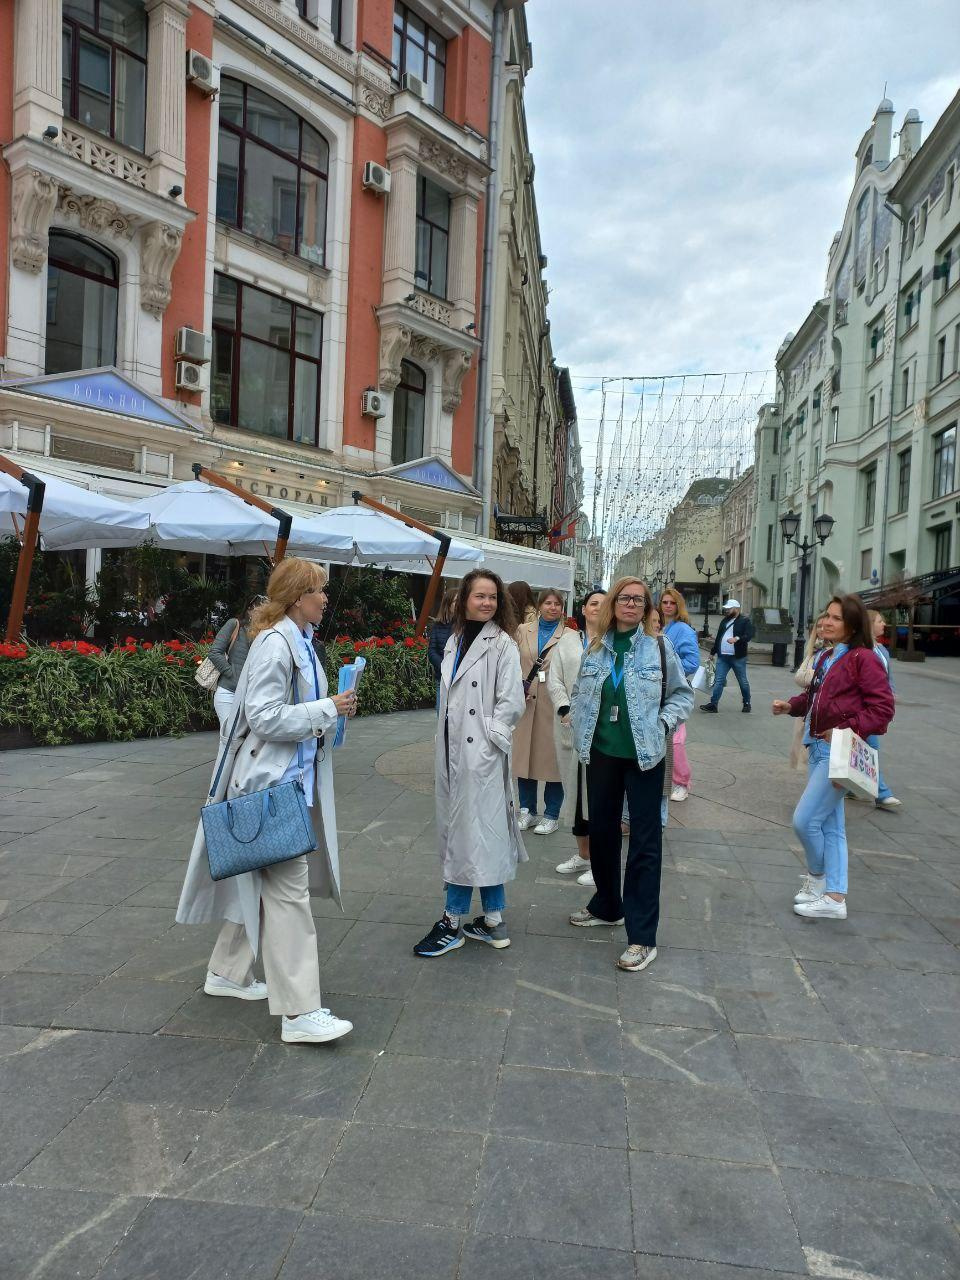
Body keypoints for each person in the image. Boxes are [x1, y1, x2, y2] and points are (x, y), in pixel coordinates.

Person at [177, 558, 359, 1044]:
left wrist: (331, 713)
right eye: (319, 590)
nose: (325, 598)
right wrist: (327, 709)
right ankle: (300, 1012)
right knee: (288, 896)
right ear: (299, 596)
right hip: (273, 790)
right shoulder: (278, 644)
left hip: (278, 785)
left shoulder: (292, 640)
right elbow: (263, 716)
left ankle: (226, 972)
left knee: (261, 886)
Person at [568, 577, 693, 972]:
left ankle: (642, 936)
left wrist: (662, 724)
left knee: (644, 843)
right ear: (614, 603)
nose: (632, 605)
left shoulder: (659, 647)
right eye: (625, 598)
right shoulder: (596, 647)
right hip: (601, 752)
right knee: (601, 833)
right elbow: (578, 691)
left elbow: (682, 694)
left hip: (644, 756)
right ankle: (607, 905)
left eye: (639, 600)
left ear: (646, 606)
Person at [414, 570, 526, 957]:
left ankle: (452, 919)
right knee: (480, 838)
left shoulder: (503, 644)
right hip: (452, 752)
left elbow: (513, 700)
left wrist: (491, 738)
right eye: (480, 596)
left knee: (471, 836)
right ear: (464, 599)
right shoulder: (457, 639)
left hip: (480, 754)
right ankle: (494, 920)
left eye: (493, 597)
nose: (487, 603)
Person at [772, 593, 895, 921]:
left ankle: (818, 878)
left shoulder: (864, 658)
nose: (826, 621)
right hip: (817, 747)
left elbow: (882, 709)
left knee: (805, 820)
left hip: (837, 749)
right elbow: (816, 697)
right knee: (831, 826)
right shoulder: (828, 656)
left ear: (853, 625)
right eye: (826, 615)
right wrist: (792, 706)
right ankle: (834, 898)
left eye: (835, 618)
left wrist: (845, 728)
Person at [552, 588, 605, 887]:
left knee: (597, 797)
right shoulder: (569, 640)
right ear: (583, 609)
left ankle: (600, 863)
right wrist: (564, 707)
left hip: (601, 733)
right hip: (570, 725)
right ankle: (582, 855)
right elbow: (556, 678)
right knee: (574, 795)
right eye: (593, 603)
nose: (598, 608)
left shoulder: (612, 641)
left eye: (603, 603)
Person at [513, 588, 577, 834]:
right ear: (539, 606)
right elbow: (511, 660)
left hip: (554, 705)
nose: (553, 607)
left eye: (557, 604)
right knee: (524, 759)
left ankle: (551, 813)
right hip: (526, 704)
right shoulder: (522, 630)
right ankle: (527, 810)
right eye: (548, 603)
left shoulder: (571, 635)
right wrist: (518, 682)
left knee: (553, 761)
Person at [659, 586, 700, 802]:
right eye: (664, 602)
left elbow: (692, 662)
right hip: (659, 690)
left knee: (675, 739)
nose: (667, 606)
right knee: (666, 737)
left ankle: (682, 781)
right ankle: (670, 779)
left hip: (674, 690)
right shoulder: (662, 626)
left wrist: (666, 669)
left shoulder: (683, 629)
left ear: (678, 605)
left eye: (671, 603)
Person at [206, 599, 257, 735]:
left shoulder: (267, 634)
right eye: (259, 609)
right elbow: (215, 652)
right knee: (231, 738)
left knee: (247, 744)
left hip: (252, 697)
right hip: (229, 692)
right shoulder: (235, 625)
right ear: (250, 609)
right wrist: (231, 673)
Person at [867, 610, 901, 810]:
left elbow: (888, 677)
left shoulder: (882, 650)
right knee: (872, 747)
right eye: (880, 621)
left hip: (877, 706)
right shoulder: (862, 650)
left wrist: (891, 694)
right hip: (864, 708)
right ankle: (881, 793)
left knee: (859, 747)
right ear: (869, 624)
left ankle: (852, 787)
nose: (884, 624)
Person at [700, 598, 754, 713]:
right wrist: (712, 652)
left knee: (742, 681)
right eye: (727, 609)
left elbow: (749, 635)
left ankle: (747, 702)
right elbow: (719, 637)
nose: (727, 611)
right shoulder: (725, 621)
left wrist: (737, 638)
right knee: (719, 680)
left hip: (737, 657)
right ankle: (713, 704)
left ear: (736, 609)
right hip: (723, 657)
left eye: (730, 609)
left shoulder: (744, 621)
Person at [790, 615, 827, 770]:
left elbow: (826, 679)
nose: (822, 629)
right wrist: (815, 676)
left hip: (822, 709)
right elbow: (798, 677)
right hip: (808, 704)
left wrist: (812, 675)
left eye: (825, 625)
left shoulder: (833, 653)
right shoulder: (814, 651)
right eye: (818, 626)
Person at [427, 587, 458, 711]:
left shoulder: (466, 625)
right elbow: (432, 651)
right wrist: (445, 667)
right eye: (456, 601)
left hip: (460, 680)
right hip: (443, 678)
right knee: (441, 713)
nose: (459, 604)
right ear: (448, 604)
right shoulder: (438, 625)